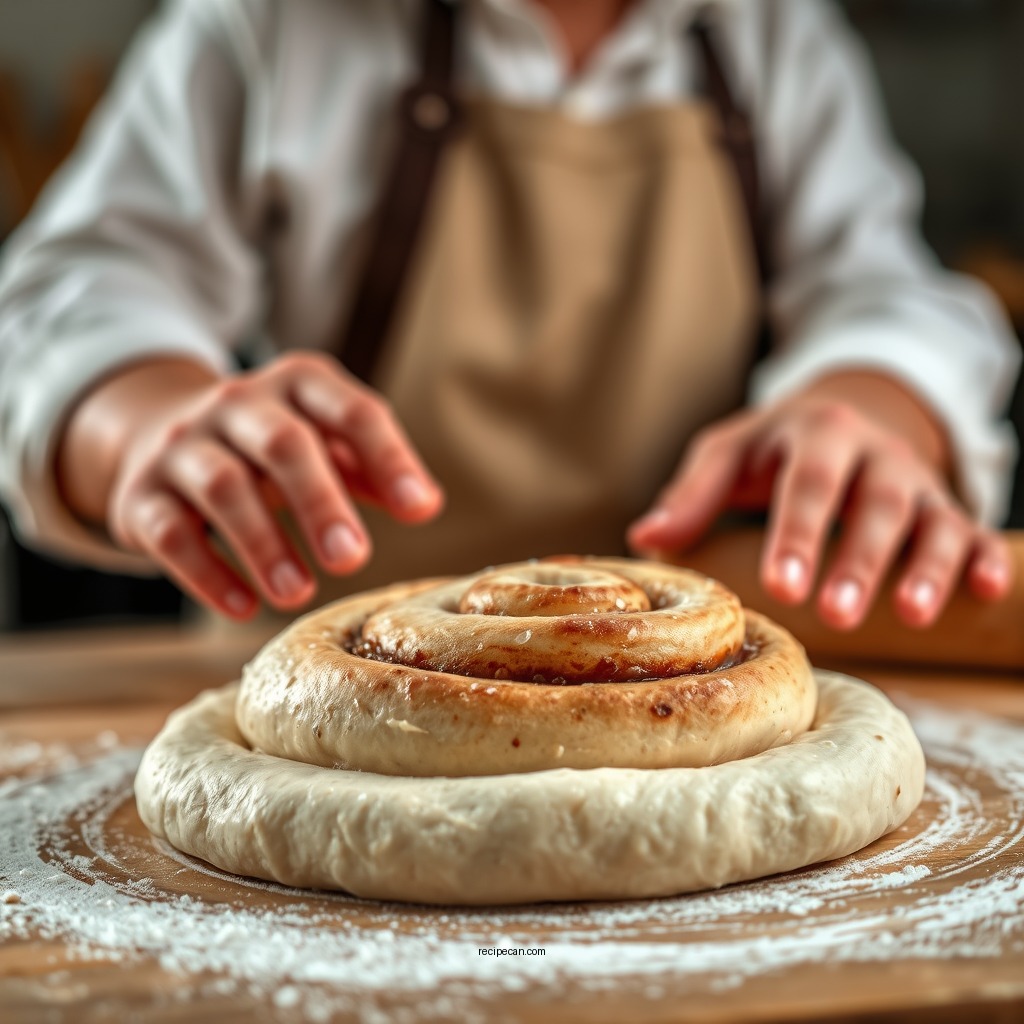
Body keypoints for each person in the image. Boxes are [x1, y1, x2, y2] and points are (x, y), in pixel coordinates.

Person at [0, 0, 1018, 634]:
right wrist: (145, 422)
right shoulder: (266, 26)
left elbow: (878, 288)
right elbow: (84, 286)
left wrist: (872, 404)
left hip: (677, 682)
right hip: (323, 678)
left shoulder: (772, 35)